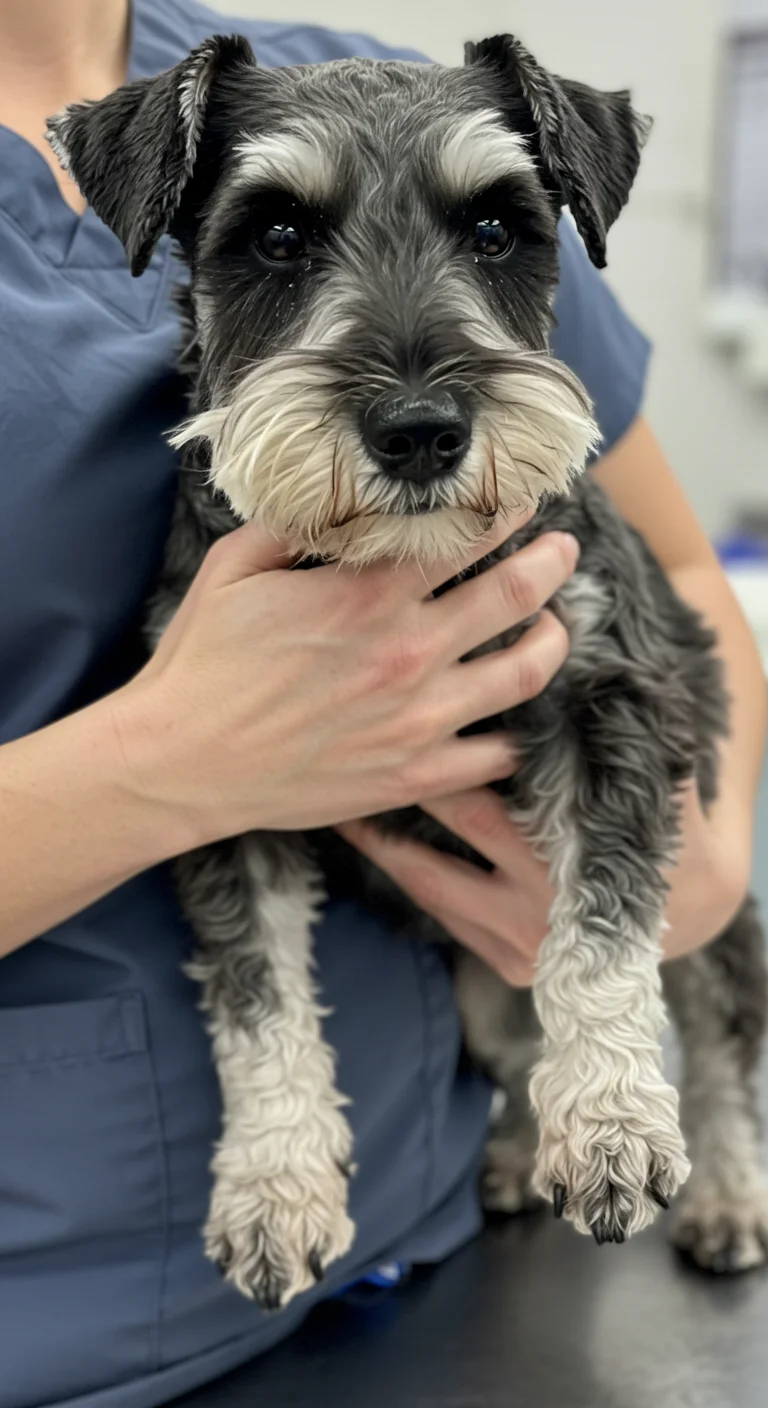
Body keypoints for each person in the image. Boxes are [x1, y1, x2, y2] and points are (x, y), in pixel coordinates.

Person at [0, 2, 764, 1405]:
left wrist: (695, 885)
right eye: (278, 244)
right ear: (173, 238)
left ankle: (726, 1128)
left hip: (460, 1245)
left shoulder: (402, 88)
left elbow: (676, 580)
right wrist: (177, 758)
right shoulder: (178, 127)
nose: (417, 390)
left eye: (492, 235)